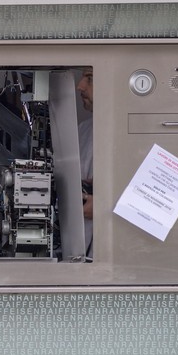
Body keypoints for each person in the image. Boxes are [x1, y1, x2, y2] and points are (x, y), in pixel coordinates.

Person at [76, 68, 94, 258]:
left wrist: (105, 207)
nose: (79, 86)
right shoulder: (83, 130)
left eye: (89, 79)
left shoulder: (144, 133)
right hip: (82, 252)